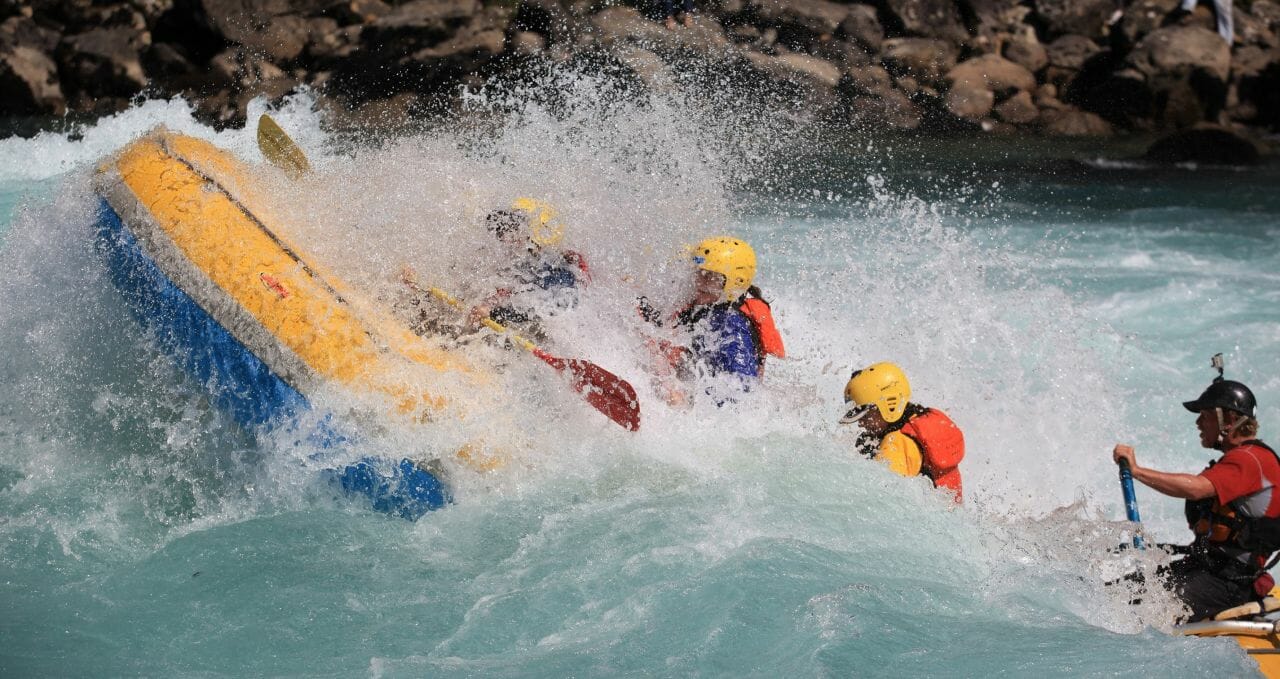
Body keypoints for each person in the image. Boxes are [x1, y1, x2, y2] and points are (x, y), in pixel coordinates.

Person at [1112, 376, 1280, 621]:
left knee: (1138, 611)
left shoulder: (1250, 460)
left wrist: (1137, 471)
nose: (1199, 423)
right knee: (1116, 593)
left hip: (1229, 583)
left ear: (1229, 420)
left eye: (1206, 415)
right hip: (1208, 569)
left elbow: (1197, 488)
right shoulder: (1241, 458)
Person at [399, 198, 589, 343]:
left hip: (539, 334)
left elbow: (531, 301)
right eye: (501, 230)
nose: (503, 237)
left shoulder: (559, 271)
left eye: (511, 229)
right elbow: (465, 276)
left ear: (538, 234)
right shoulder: (511, 257)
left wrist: (489, 307)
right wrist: (422, 279)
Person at [639, 236, 784, 404]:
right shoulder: (708, 306)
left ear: (734, 282)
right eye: (699, 273)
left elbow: (741, 392)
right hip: (695, 383)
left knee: (655, 348)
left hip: (708, 408)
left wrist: (679, 397)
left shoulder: (732, 326)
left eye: (710, 276)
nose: (700, 281)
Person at [840, 362, 964, 502]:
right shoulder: (924, 417)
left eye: (866, 415)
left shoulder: (896, 444)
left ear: (887, 406)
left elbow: (879, 501)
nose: (861, 423)